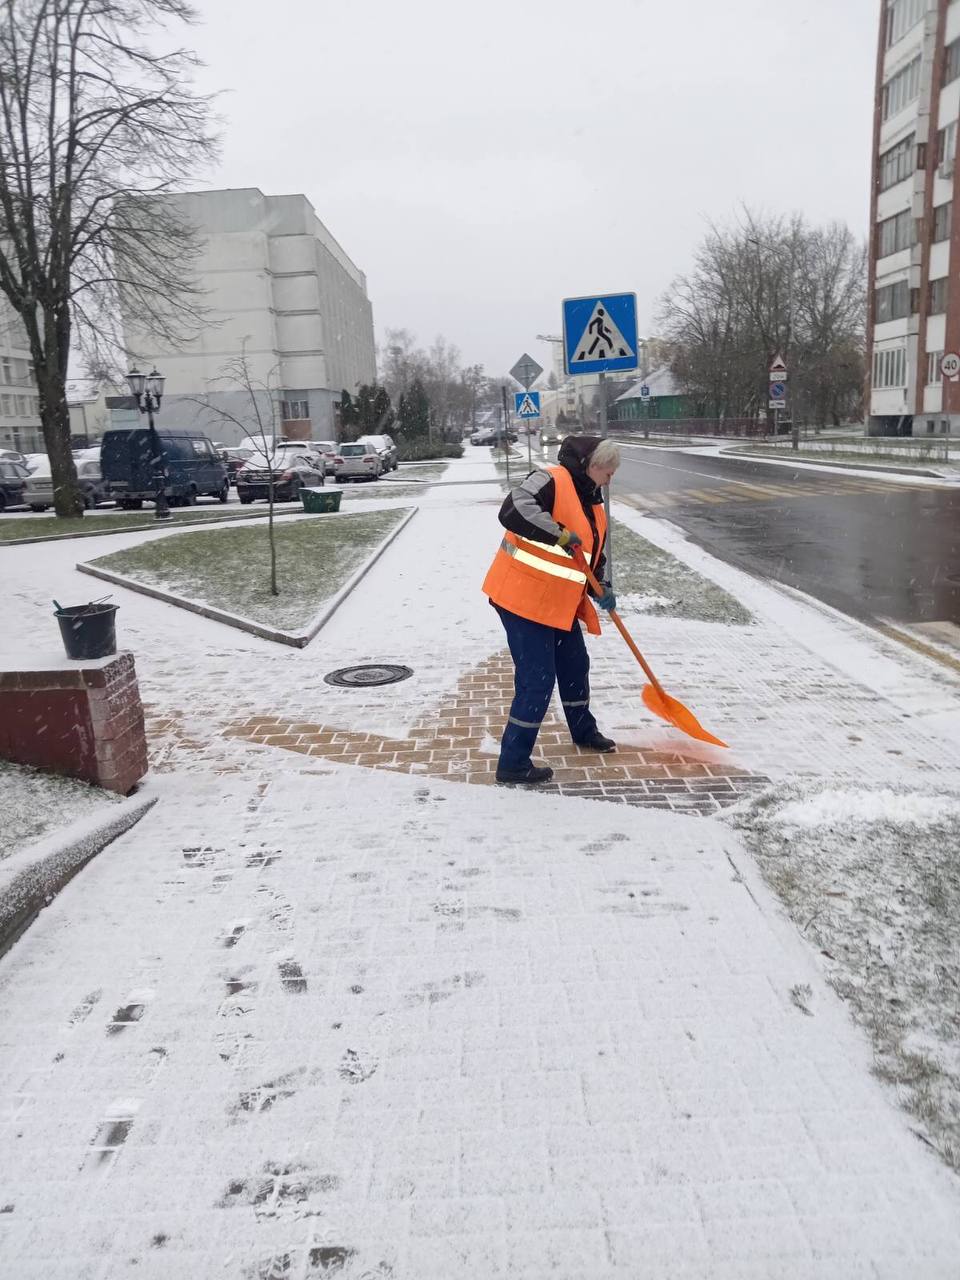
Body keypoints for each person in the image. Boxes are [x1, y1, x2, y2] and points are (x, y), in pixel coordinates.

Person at [482, 434, 620, 785]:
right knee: (537, 680)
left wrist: (601, 587)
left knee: (575, 664)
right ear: (591, 464)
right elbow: (513, 508)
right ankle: (512, 764)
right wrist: (557, 533)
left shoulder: (593, 502)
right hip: (521, 598)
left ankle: (583, 732)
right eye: (608, 469)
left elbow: (592, 555)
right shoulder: (551, 478)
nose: (611, 477)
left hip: (556, 603)